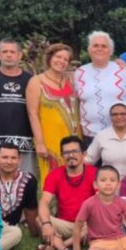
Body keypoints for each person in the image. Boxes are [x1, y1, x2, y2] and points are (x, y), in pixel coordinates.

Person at [0, 38, 36, 176]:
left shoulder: (31, 80)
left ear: (20, 55)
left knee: (26, 180)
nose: (9, 55)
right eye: (5, 51)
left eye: (12, 52)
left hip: (25, 142)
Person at [26, 43, 81, 186]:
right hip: (50, 141)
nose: (61, 61)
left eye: (65, 59)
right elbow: (33, 114)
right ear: (50, 58)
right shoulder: (36, 81)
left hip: (75, 138)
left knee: (75, 179)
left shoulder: (71, 80)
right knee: (53, 181)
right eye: (58, 57)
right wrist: (39, 143)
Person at [38, 136, 97, 250]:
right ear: (62, 155)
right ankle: (64, 249)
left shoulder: (94, 173)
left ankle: (59, 246)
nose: (70, 155)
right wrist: (47, 224)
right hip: (65, 224)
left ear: (84, 154)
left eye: (74, 151)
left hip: (86, 224)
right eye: (66, 152)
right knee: (40, 219)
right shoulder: (54, 174)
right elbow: (44, 201)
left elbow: (101, 203)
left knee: (96, 222)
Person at [73, 30, 126, 144]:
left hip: (120, 133)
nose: (99, 49)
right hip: (89, 135)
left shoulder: (123, 70)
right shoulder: (79, 72)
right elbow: (75, 102)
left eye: (104, 46)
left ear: (110, 51)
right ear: (89, 49)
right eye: (95, 45)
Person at [84, 102, 126, 178]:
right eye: (115, 114)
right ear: (110, 117)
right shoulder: (101, 136)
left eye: (123, 114)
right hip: (108, 183)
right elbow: (89, 159)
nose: (119, 117)